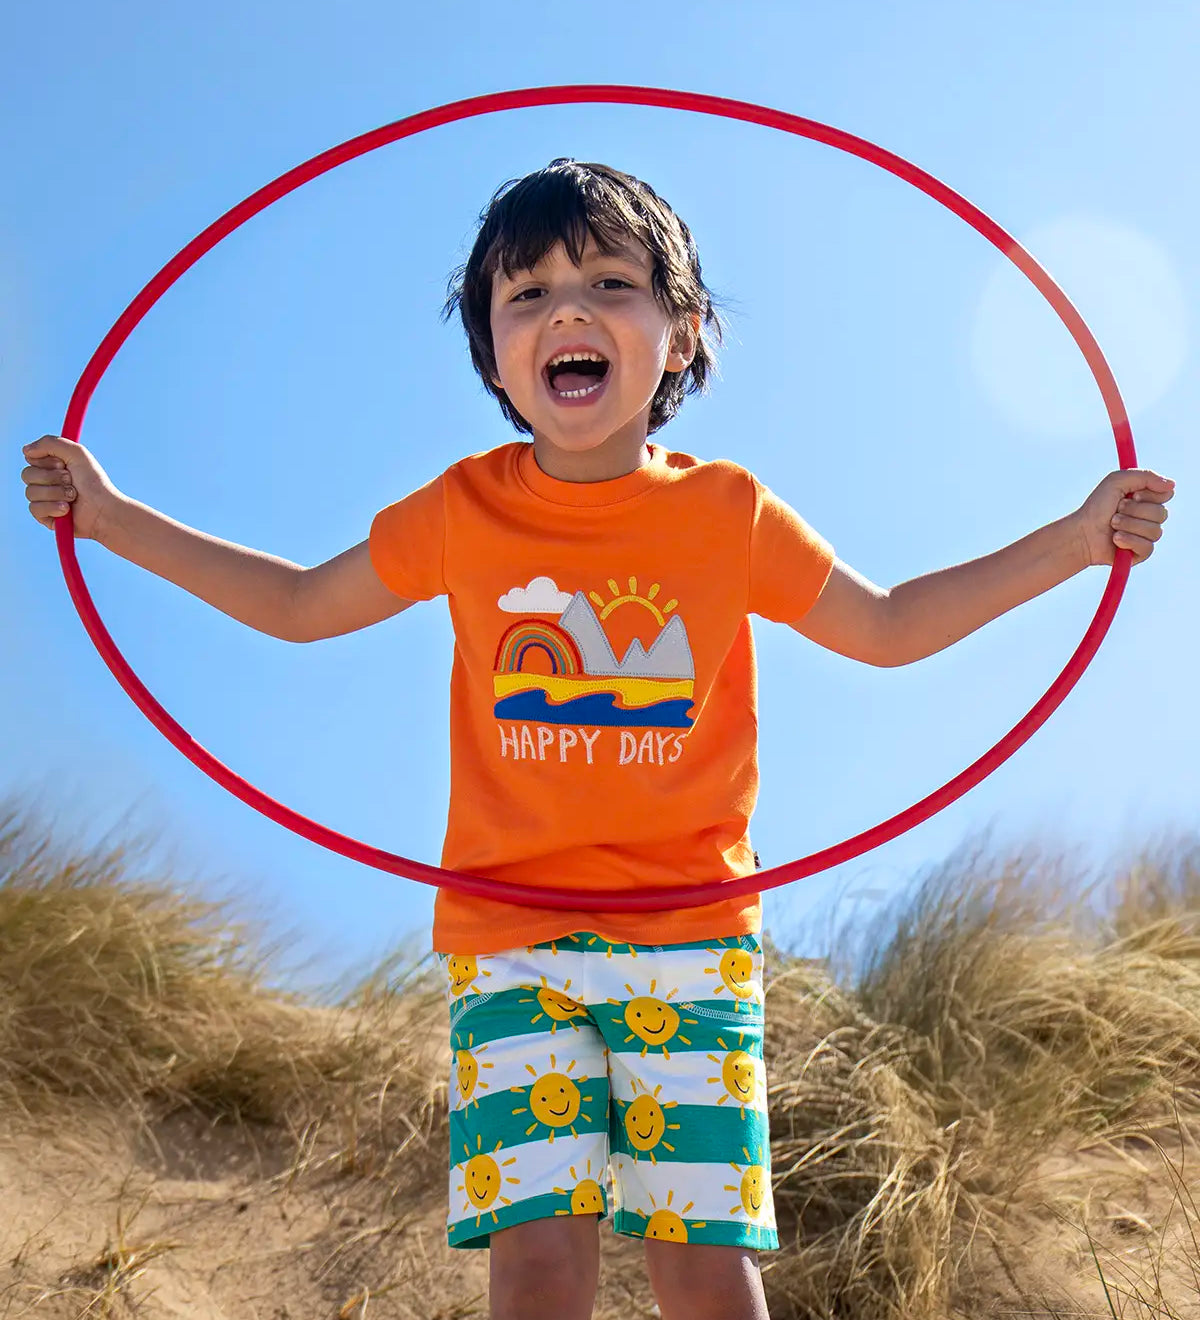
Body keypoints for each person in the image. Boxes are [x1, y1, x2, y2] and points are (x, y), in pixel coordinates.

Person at [21, 158, 1173, 1320]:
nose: (567, 311)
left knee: (702, 1258)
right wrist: (111, 520)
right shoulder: (462, 509)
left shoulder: (727, 511)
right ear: (492, 352)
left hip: (688, 932)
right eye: (527, 294)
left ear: (682, 334)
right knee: (534, 1258)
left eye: (610, 283)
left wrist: (1075, 542)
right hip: (510, 934)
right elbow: (299, 604)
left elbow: (887, 626)